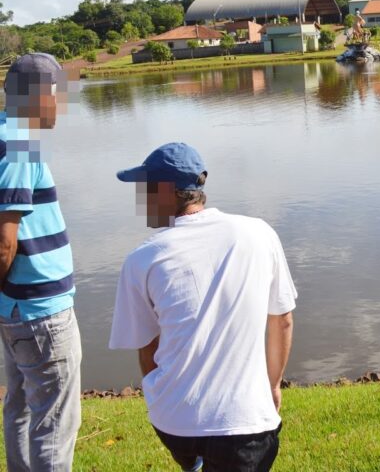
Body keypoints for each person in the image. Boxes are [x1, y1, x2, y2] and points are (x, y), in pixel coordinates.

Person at [109, 143, 297, 472]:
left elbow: (147, 350)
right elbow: (281, 321)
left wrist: (167, 400)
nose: (142, 201)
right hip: (245, 423)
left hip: (173, 420)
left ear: (167, 192)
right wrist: (272, 386)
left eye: (146, 190)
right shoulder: (258, 233)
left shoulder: (143, 259)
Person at [0, 53, 81, 471]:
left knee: (20, 409)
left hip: (15, 309)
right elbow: (4, 242)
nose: (61, 106)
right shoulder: (17, 146)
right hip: (40, 312)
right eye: (58, 94)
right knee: (54, 421)